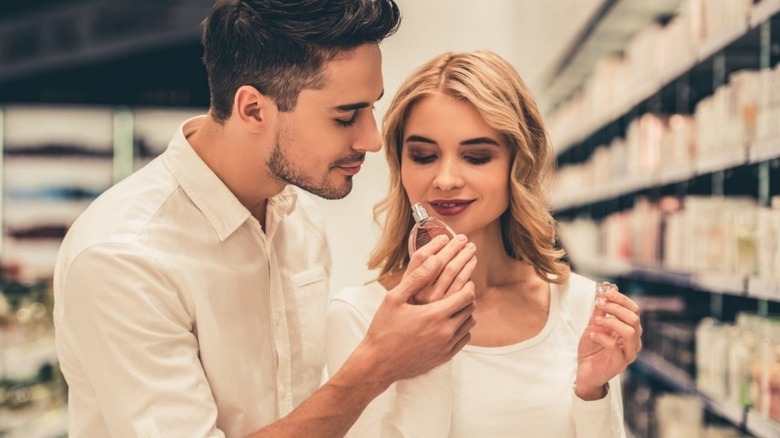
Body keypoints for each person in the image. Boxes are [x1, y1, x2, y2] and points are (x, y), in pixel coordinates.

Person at [52, 1, 478, 437]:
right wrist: (376, 365)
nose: (370, 139)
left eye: (371, 108)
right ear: (253, 109)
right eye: (345, 115)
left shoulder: (298, 216)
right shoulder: (121, 257)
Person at [326, 50, 644, 437]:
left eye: (476, 157)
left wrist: (592, 392)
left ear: (519, 162)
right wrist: (424, 352)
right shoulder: (360, 316)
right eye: (423, 156)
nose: (445, 179)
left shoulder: (579, 305)